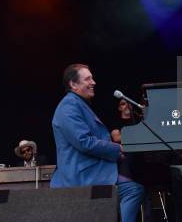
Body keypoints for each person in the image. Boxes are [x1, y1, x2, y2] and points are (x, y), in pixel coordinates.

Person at [51, 64, 144, 222]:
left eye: (92, 78)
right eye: (88, 79)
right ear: (73, 84)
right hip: (81, 175)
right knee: (133, 190)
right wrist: (117, 149)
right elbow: (84, 141)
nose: (93, 82)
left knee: (135, 184)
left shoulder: (78, 104)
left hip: (91, 170)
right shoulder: (69, 106)